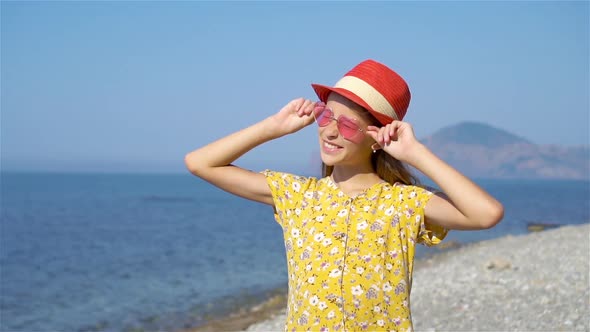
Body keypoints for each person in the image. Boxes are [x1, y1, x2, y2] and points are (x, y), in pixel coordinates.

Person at [184, 59, 504, 332]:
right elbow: (199, 163)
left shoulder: (404, 203)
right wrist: (273, 126)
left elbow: (486, 214)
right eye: (325, 117)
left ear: (377, 138)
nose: (330, 131)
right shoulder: (299, 196)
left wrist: (415, 153)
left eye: (348, 126)